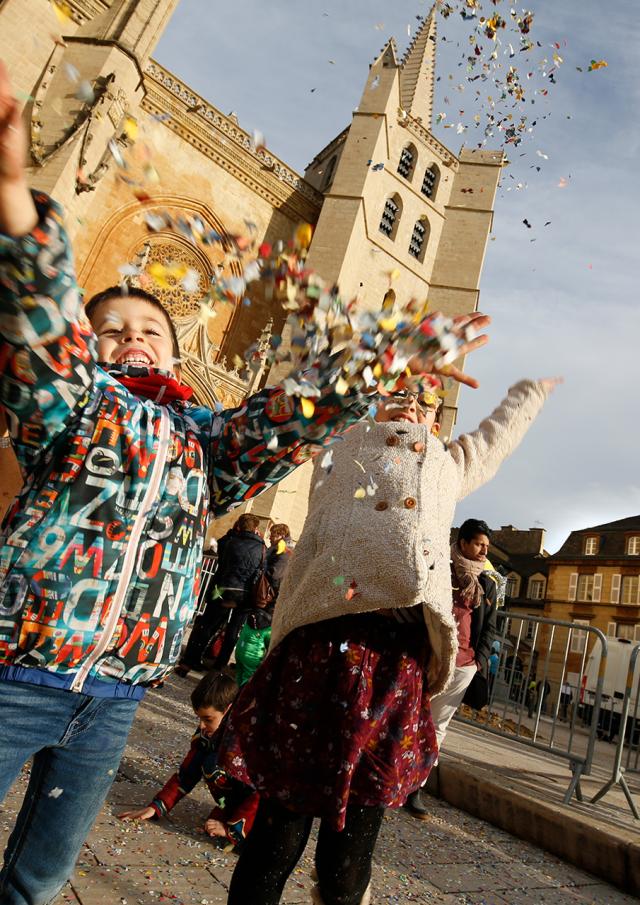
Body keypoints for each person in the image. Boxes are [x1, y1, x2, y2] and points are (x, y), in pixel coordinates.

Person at [0, 60, 447, 905]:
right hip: (17, 668)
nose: (132, 333)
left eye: (150, 328)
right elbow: (39, 325)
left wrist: (361, 365)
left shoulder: (207, 442)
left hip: (113, 694)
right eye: (111, 327)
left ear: (179, 359)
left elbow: (280, 422)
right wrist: (16, 198)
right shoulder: (68, 406)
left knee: (44, 871)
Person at [217, 374, 559, 905]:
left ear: (438, 422)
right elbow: (306, 405)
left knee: (352, 845)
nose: (410, 402)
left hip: (392, 663)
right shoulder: (336, 447)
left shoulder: (447, 464)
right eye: (398, 392)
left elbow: (495, 437)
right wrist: (368, 359)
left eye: (424, 400)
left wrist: (529, 393)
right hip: (317, 650)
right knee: (279, 831)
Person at [405, 518, 499, 819]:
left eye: (487, 546)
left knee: (438, 726)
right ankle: (390, 776)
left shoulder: (487, 583)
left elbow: (491, 627)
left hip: (464, 664)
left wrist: (478, 661)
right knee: (408, 714)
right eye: (479, 544)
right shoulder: (441, 571)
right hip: (430, 656)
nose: (484, 550)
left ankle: (415, 788)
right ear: (463, 543)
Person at [118, 671, 257, 849]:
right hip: (239, 800)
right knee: (208, 761)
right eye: (199, 718)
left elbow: (262, 791)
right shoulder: (205, 737)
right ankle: (231, 814)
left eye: (208, 719)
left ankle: (240, 825)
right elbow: (186, 775)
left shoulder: (246, 741)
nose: (201, 726)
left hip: (262, 810)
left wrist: (235, 830)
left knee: (214, 766)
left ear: (229, 711)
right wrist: (157, 806)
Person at [176, 514, 267, 675]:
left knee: (208, 624)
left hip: (221, 589)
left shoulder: (230, 541)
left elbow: (220, 552)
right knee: (234, 630)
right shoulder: (261, 547)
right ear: (256, 529)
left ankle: (190, 660)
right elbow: (261, 571)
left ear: (238, 525)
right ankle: (219, 666)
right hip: (245, 594)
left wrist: (232, 533)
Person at [234, 523, 293, 686]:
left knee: (254, 645)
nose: (270, 537)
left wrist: (259, 573)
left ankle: (246, 684)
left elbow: (275, 575)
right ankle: (246, 680)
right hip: (268, 604)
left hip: (268, 605)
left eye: (273, 534)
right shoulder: (280, 549)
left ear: (281, 535)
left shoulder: (283, 551)